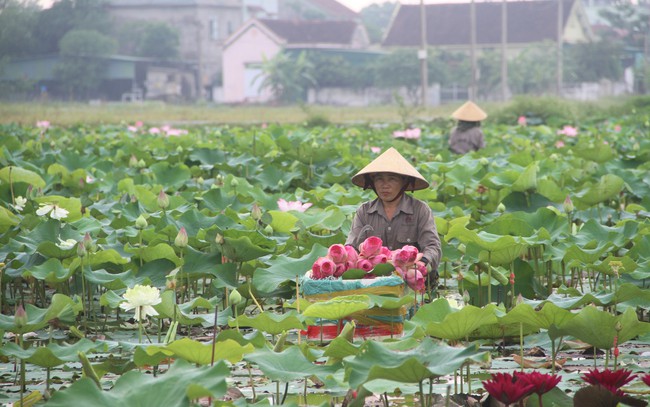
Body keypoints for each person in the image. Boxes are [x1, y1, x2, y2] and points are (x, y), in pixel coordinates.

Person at [345, 147, 442, 280]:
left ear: (404, 182)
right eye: (379, 179)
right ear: (372, 183)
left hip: (412, 280)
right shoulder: (364, 212)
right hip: (373, 281)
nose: (385, 185)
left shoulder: (420, 210)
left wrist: (421, 263)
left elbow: (432, 247)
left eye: (392, 179)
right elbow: (351, 247)